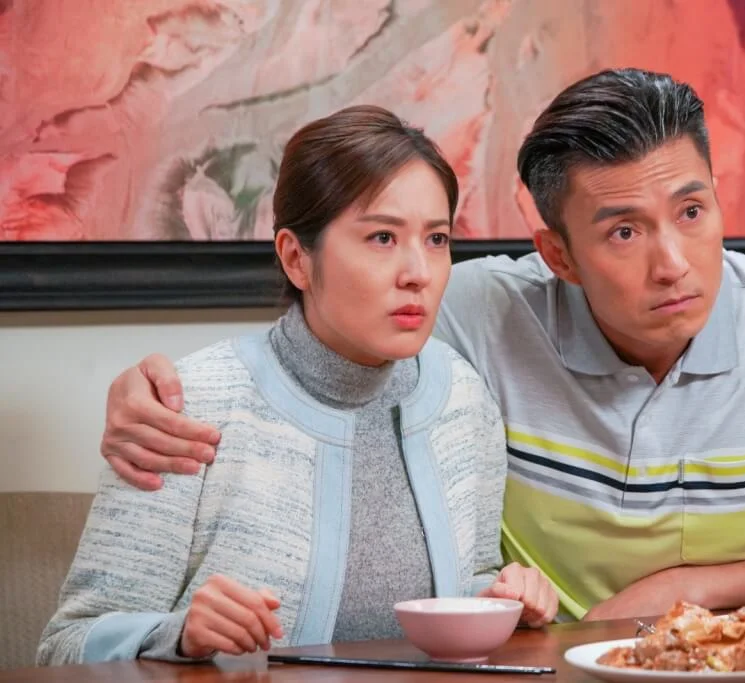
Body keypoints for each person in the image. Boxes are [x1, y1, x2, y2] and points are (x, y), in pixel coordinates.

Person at [95, 68, 745, 623]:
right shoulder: (475, 314)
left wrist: (687, 588)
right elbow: (321, 345)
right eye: (624, 230)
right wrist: (148, 390)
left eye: (692, 212)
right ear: (558, 254)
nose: (674, 262)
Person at [37, 105, 558, 667]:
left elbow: (467, 581)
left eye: (436, 239)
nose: (419, 273)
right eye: (382, 237)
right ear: (296, 258)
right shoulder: (187, 405)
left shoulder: (462, 398)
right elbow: (65, 648)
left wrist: (506, 597)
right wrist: (178, 636)